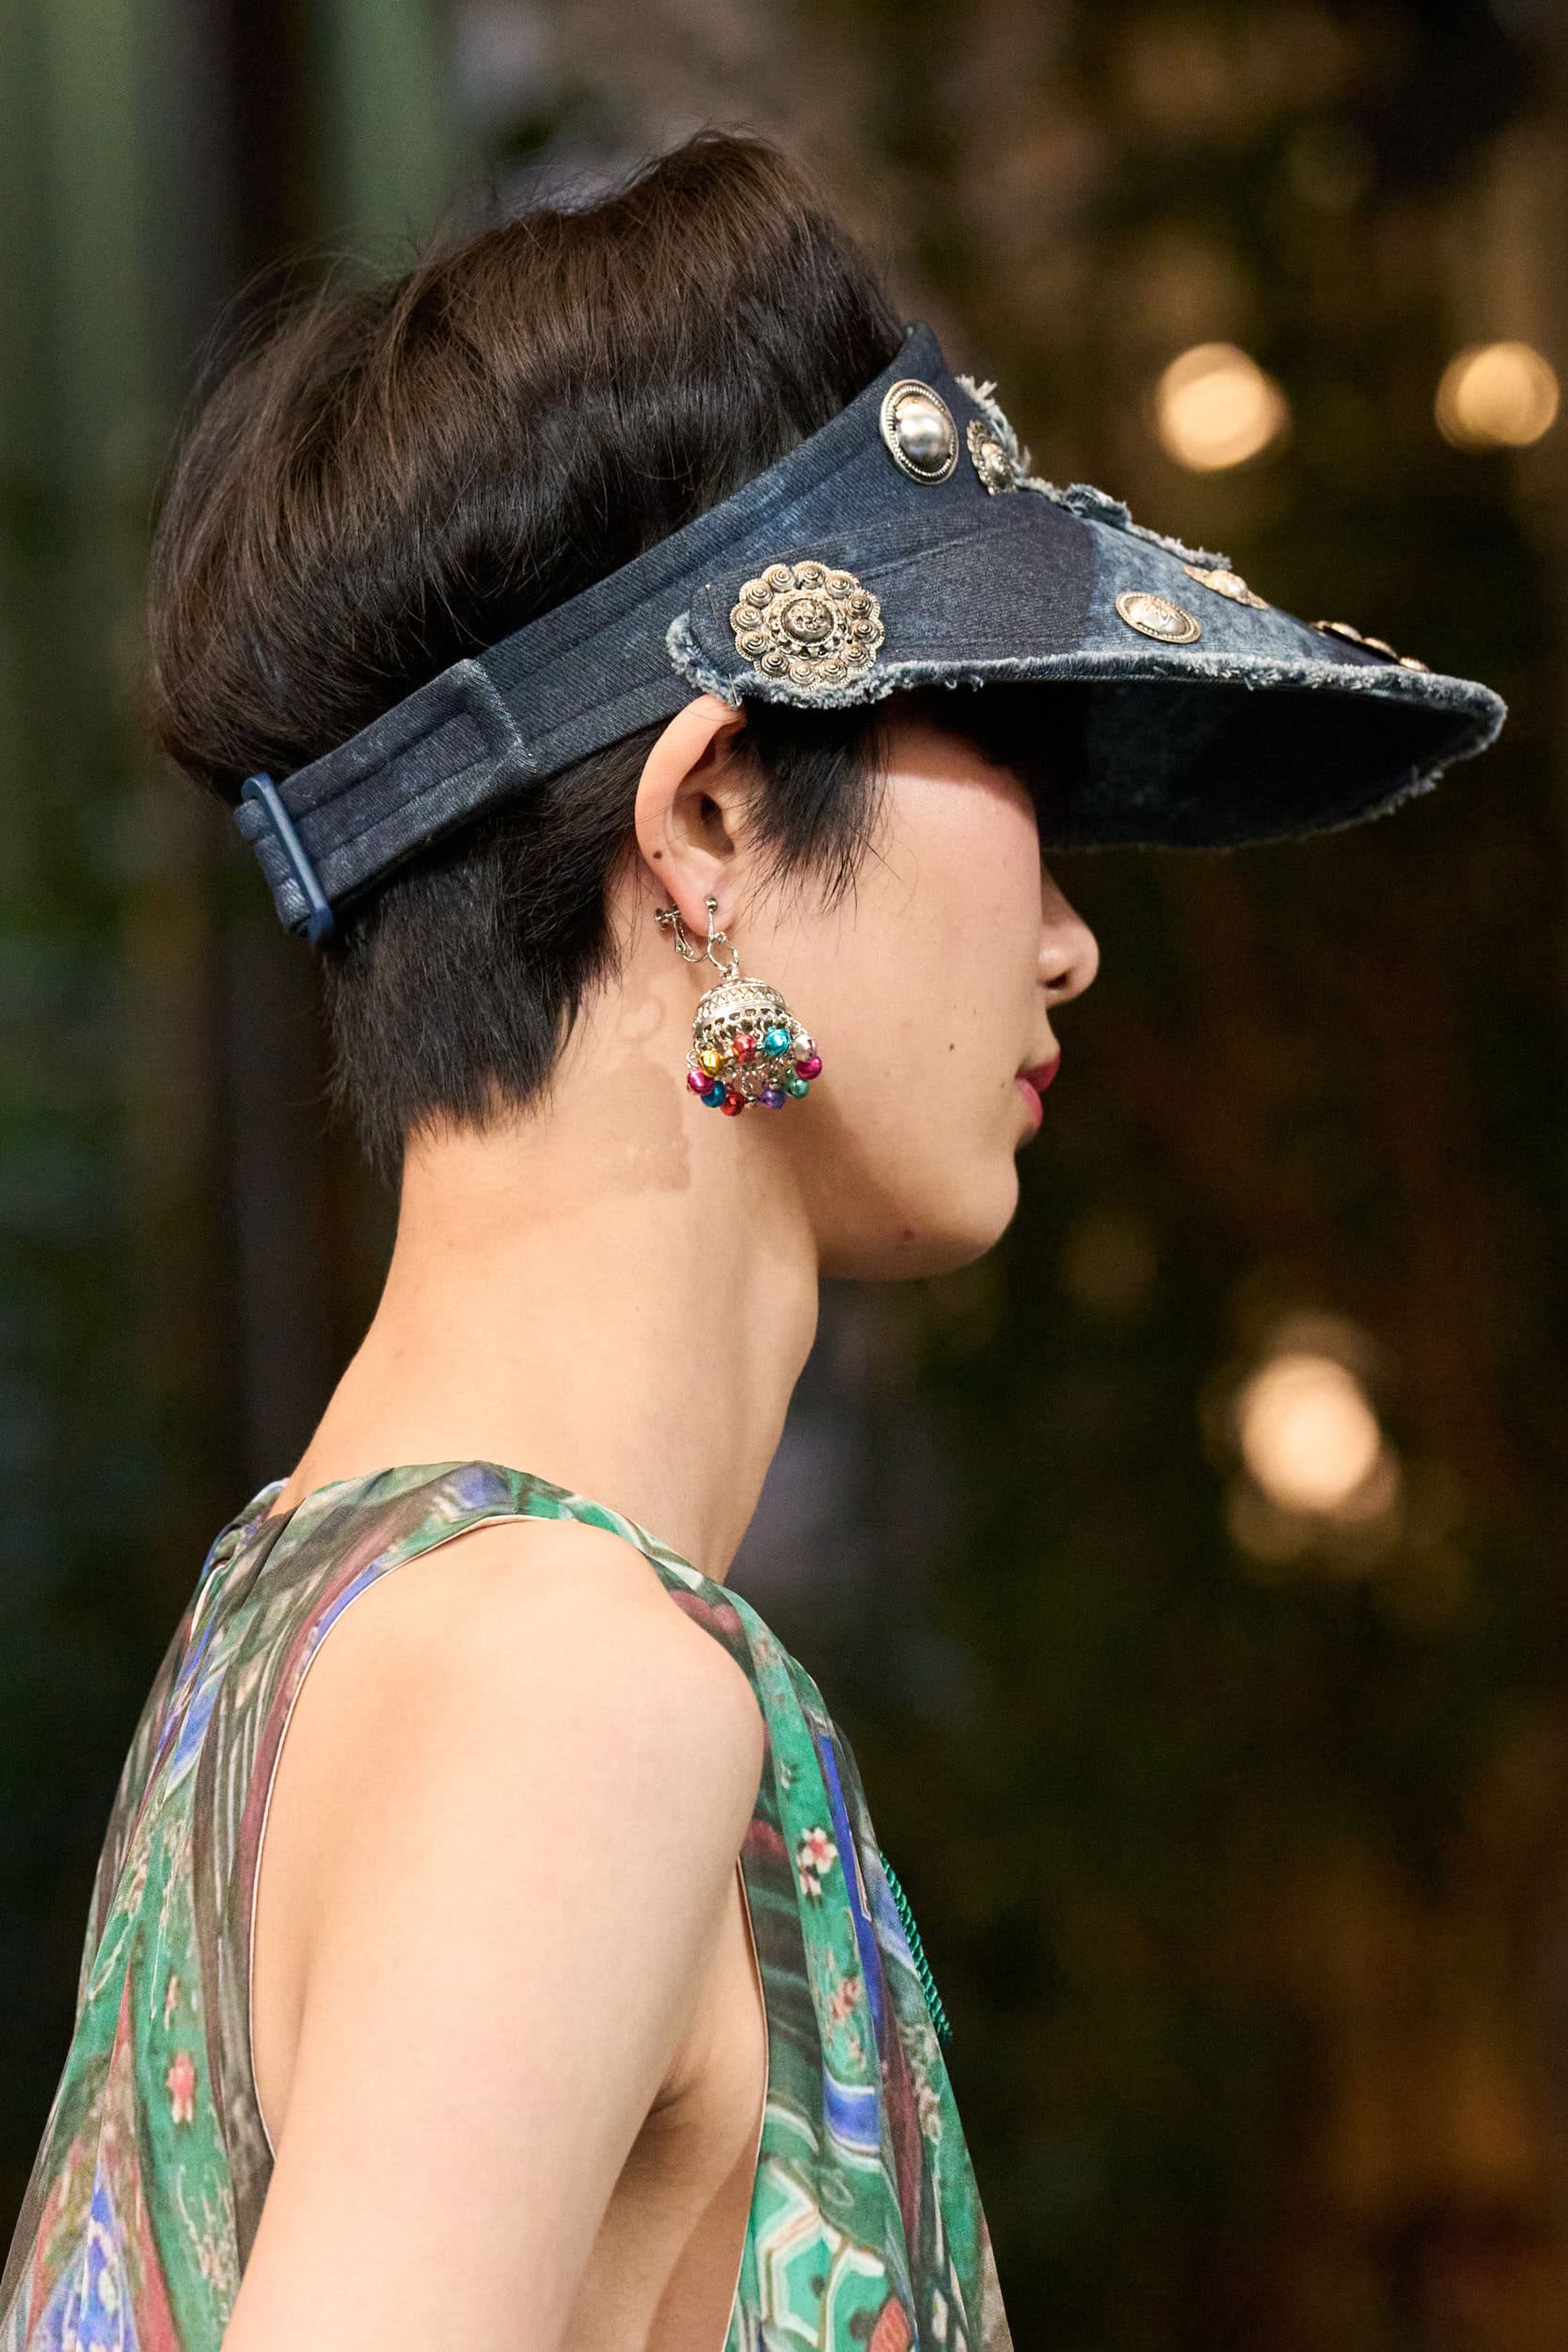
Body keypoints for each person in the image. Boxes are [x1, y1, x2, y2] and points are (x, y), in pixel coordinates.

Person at [0, 134, 1502, 2352]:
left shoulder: (300, 1622)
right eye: (1003, 736)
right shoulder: (569, 1688)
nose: (1070, 938)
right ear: (709, 814)